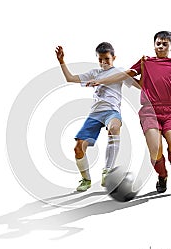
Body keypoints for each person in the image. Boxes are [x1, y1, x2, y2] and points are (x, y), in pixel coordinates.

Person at [86, 31, 171, 193]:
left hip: (169, 110)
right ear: (154, 45)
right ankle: (162, 175)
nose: (161, 46)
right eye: (158, 43)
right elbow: (124, 75)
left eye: (165, 44)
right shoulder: (145, 62)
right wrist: (100, 81)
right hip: (149, 111)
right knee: (155, 150)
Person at [55, 42, 138, 191]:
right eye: (100, 59)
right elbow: (70, 78)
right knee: (78, 148)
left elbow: (142, 85)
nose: (103, 62)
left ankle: (107, 171)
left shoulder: (120, 72)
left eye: (106, 58)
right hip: (95, 114)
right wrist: (62, 61)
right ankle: (85, 180)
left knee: (114, 127)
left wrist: (146, 69)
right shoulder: (94, 73)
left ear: (114, 57)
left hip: (112, 111)